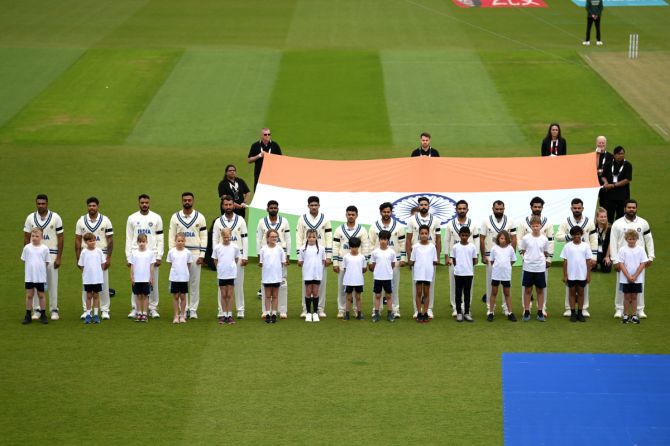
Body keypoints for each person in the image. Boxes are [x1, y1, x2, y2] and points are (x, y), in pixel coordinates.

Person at [609, 199, 654, 319]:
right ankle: (619, 309)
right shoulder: (617, 223)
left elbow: (649, 240)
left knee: (640, 284)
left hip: (639, 260)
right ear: (624, 209)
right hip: (622, 260)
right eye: (629, 207)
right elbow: (613, 242)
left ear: (636, 208)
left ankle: (639, 309)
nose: (631, 209)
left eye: (633, 207)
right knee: (621, 284)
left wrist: (650, 256)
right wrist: (615, 260)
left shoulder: (643, 223)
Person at [23, 194, 63, 321]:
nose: (41, 206)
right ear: (36, 204)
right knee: (35, 283)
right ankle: (37, 309)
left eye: (43, 203)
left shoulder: (55, 217)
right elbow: (26, 236)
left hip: (51, 254)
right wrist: (28, 254)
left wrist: (59, 257)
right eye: (38, 203)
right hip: (35, 256)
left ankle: (54, 309)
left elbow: (61, 238)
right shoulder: (30, 218)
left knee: (52, 283)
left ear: (47, 203)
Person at [556, 198, 597, 317]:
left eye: (579, 208)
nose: (577, 210)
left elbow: (594, 240)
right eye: (575, 208)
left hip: (585, 257)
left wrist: (594, 257)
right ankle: (569, 308)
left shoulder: (589, 222)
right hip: (571, 258)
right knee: (570, 285)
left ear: (583, 208)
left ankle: (583, 308)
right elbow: (558, 237)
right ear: (571, 208)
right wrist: (571, 235)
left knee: (584, 286)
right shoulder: (566, 222)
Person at [168, 192, 207, 319]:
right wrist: (172, 253)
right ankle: (181, 310)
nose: (187, 202)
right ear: (182, 201)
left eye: (189, 200)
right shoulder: (175, 217)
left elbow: (204, 236)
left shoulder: (200, 217)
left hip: (195, 253)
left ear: (193, 201)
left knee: (194, 283)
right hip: (179, 254)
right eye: (185, 200)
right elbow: (171, 236)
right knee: (180, 282)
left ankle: (193, 309)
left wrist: (202, 254)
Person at [126, 194, 164, 319]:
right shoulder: (132, 218)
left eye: (146, 202)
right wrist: (128, 256)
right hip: (136, 256)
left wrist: (159, 255)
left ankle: (153, 308)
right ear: (138, 203)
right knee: (135, 283)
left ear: (149, 203)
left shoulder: (156, 218)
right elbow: (129, 238)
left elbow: (160, 238)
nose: (144, 205)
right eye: (142, 202)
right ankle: (135, 308)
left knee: (152, 282)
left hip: (151, 255)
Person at [75, 197, 113, 320]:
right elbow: (77, 240)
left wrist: (108, 257)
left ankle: (105, 309)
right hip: (86, 257)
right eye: (90, 206)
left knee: (103, 284)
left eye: (94, 206)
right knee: (86, 284)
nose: (92, 208)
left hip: (100, 255)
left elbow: (110, 240)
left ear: (98, 206)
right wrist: (78, 258)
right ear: (87, 206)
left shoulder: (105, 220)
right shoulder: (81, 221)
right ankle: (87, 311)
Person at [516, 197, 554, 316]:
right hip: (528, 261)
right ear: (531, 207)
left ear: (542, 207)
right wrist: (523, 257)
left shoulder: (547, 222)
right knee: (526, 287)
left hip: (541, 262)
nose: (537, 208)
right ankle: (526, 308)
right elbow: (519, 239)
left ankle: (541, 308)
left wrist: (549, 259)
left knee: (542, 286)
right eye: (535, 206)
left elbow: (551, 241)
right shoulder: (523, 222)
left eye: (539, 207)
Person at [295, 196, 332, 319]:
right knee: (306, 284)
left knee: (321, 283)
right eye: (312, 205)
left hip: (321, 255)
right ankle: (305, 309)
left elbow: (328, 238)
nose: (314, 207)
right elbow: (299, 237)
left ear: (319, 206)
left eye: (316, 205)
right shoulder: (302, 219)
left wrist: (328, 256)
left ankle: (320, 309)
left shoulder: (325, 219)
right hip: (307, 255)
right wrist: (299, 256)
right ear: (308, 206)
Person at [212, 196, 249, 319]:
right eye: (226, 205)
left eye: (230, 204)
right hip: (223, 258)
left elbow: (245, 238)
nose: (228, 207)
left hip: (237, 256)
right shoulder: (218, 222)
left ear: (234, 205)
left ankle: (240, 309)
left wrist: (245, 256)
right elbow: (215, 240)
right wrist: (215, 257)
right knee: (222, 286)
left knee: (238, 284)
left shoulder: (240, 220)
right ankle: (222, 311)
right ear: (223, 206)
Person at [405, 196, 442, 319]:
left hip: (430, 256)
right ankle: (417, 310)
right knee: (416, 286)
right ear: (418, 205)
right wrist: (410, 258)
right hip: (417, 257)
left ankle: (429, 309)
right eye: (421, 205)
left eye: (426, 205)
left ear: (429, 206)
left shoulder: (436, 220)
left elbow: (438, 239)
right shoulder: (411, 220)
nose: (424, 207)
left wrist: (436, 257)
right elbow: (408, 239)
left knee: (429, 286)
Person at [369, 202, 406, 318]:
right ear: (381, 212)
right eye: (384, 212)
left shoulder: (398, 227)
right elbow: (370, 244)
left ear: (391, 212)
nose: (386, 214)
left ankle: (395, 309)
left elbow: (402, 243)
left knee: (393, 286)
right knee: (377, 288)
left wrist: (403, 258)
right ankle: (377, 309)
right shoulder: (374, 226)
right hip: (378, 261)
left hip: (394, 261)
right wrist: (370, 262)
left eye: (388, 212)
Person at [333, 206, 370, 318]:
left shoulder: (362, 230)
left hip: (357, 264)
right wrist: (335, 262)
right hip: (342, 262)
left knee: (356, 288)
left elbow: (365, 246)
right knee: (342, 287)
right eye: (349, 214)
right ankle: (341, 309)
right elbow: (335, 246)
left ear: (356, 215)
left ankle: (355, 309)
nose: (351, 216)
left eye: (353, 214)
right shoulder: (339, 229)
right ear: (346, 215)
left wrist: (365, 263)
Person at [480, 200, 516, 315]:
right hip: (491, 257)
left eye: (501, 209)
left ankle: (507, 308)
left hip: (506, 258)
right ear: (493, 209)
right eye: (497, 209)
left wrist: (512, 256)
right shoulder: (486, 221)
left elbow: (514, 239)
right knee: (491, 284)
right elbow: (481, 238)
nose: (499, 211)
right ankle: (490, 309)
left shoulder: (510, 221)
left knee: (506, 285)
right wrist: (483, 255)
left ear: (504, 209)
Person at [256, 200, 291, 319]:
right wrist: (258, 255)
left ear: (278, 209)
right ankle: (265, 311)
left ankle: (282, 310)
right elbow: (258, 239)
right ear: (267, 209)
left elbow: (288, 238)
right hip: (267, 256)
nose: (273, 209)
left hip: (281, 255)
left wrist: (288, 254)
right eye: (271, 208)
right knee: (265, 283)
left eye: (275, 208)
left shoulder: (284, 221)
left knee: (282, 282)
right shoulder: (262, 222)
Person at [445, 200, 479, 317]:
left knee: (469, 286)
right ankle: (456, 307)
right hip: (454, 257)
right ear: (456, 210)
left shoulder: (473, 224)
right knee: (454, 284)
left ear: (467, 210)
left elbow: (476, 240)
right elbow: (447, 241)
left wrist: (477, 255)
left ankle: (466, 307)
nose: (462, 210)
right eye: (460, 208)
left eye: (464, 208)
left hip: (469, 258)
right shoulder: (450, 224)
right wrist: (446, 256)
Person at [519, 216, 551, 322]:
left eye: (537, 225)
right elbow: (523, 250)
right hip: (528, 268)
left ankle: (540, 311)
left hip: (540, 268)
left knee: (540, 290)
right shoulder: (526, 238)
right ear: (531, 226)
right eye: (533, 225)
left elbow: (545, 252)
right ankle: (527, 311)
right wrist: (527, 259)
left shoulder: (544, 239)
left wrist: (540, 260)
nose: (536, 227)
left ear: (541, 226)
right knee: (528, 290)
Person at [560, 227, 592, 323]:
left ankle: (580, 313)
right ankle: (573, 312)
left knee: (581, 292)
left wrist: (588, 275)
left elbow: (588, 261)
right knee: (572, 292)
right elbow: (565, 262)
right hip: (571, 275)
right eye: (574, 234)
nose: (576, 236)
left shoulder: (585, 246)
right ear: (572, 235)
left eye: (578, 234)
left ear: (581, 235)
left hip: (582, 275)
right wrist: (565, 275)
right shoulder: (567, 246)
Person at [617, 230, 647, 324]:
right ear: (626, 239)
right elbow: (621, 264)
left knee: (634, 296)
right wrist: (628, 276)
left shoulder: (641, 249)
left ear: (637, 239)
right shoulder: (622, 249)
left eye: (633, 239)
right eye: (630, 239)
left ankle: (634, 315)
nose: (632, 241)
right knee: (626, 297)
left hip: (637, 279)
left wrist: (635, 276)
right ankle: (625, 315)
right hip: (625, 278)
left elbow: (643, 263)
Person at [21, 228, 50, 324]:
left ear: (41, 237)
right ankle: (28, 315)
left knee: (41, 295)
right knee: (29, 295)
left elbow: (46, 262)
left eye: (37, 236)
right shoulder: (27, 248)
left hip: (40, 277)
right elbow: (25, 260)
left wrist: (40, 271)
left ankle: (43, 315)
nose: (34, 238)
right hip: (29, 277)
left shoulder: (45, 249)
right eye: (33, 236)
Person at [410, 225, 438, 323]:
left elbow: (435, 260)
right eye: (422, 233)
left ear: (429, 234)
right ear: (419, 235)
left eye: (426, 233)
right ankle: (418, 312)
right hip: (418, 273)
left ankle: (425, 312)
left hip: (428, 273)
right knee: (418, 293)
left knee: (426, 293)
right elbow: (412, 260)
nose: (424, 235)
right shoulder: (415, 247)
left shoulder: (432, 247)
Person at [212, 228, 240, 325]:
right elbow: (215, 260)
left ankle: (230, 315)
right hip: (222, 274)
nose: (227, 239)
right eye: (225, 237)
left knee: (230, 294)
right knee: (223, 295)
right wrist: (219, 268)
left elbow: (236, 259)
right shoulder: (217, 247)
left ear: (231, 236)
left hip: (231, 274)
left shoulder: (235, 247)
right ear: (222, 236)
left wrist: (231, 267)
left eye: (228, 237)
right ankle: (224, 315)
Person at [297, 229, 326, 323]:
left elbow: (323, 260)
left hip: (317, 274)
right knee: (308, 292)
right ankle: (308, 313)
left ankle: (315, 313)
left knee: (316, 292)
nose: (311, 239)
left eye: (313, 237)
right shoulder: (302, 249)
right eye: (309, 237)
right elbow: (300, 261)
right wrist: (301, 263)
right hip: (307, 274)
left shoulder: (321, 248)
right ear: (306, 237)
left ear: (317, 237)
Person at [488, 230, 517, 322]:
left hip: (506, 275)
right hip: (496, 274)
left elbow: (513, 260)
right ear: (498, 239)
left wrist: (506, 267)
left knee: (507, 293)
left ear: (508, 239)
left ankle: (510, 313)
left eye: (504, 238)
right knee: (494, 293)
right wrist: (498, 267)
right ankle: (491, 313)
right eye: (501, 238)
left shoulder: (510, 249)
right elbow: (492, 261)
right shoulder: (494, 248)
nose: (503, 240)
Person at [450, 227, 478, 323]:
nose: (464, 237)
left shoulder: (472, 247)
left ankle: (466, 313)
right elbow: (453, 259)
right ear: (459, 235)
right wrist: (458, 268)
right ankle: (458, 312)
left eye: (466, 235)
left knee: (467, 294)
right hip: (458, 274)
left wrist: (468, 267)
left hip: (469, 273)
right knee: (458, 294)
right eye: (463, 235)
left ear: (469, 236)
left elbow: (475, 260)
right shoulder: (455, 247)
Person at [259, 229, 287, 324]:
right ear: (267, 238)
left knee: (275, 296)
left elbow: (283, 263)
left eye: (276, 237)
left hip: (276, 277)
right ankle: (267, 313)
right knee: (267, 296)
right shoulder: (263, 249)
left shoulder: (280, 249)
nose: (274, 238)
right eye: (272, 237)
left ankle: (274, 314)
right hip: (267, 277)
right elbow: (261, 263)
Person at [78, 232, 106, 324]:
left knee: (96, 296)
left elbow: (103, 264)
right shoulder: (84, 252)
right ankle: (88, 314)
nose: (93, 242)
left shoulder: (99, 251)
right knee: (89, 296)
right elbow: (81, 266)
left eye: (94, 240)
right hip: (88, 279)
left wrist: (98, 273)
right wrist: (86, 274)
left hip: (97, 279)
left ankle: (96, 314)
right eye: (90, 241)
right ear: (86, 242)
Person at [369, 230, 396, 323]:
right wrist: (378, 272)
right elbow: (373, 264)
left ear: (388, 240)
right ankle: (376, 313)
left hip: (388, 277)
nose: (383, 241)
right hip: (378, 277)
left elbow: (393, 264)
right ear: (379, 240)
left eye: (385, 239)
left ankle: (390, 313)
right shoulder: (375, 252)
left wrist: (387, 272)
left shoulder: (392, 252)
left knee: (388, 296)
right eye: (381, 239)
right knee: (377, 295)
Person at [600, 146, 632, 223]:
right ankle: (609, 233)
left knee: (621, 217)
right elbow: (603, 176)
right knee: (609, 216)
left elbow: (627, 180)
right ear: (614, 155)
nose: (621, 155)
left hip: (623, 196)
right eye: (619, 154)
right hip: (610, 196)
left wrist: (614, 185)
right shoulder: (608, 164)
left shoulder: (627, 165)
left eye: (622, 153)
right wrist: (606, 182)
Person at [129, 234, 155, 323]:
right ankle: (139, 312)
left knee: (145, 296)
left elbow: (152, 266)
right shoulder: (134, 253)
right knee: (138, 296)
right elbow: (132, 266)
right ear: (137, 243)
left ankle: (145, 313)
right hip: (137, 279)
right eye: (140, 242)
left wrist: (151, 278)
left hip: (146, 279)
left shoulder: (150, 253)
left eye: (143, 241)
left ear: (147, 242)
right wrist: (132, 276)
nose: (141, 243)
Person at [167, 232, 192, 324]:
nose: (180, 242)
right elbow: (170, 264)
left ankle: (182, 315)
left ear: (184, 241)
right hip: (174, 278)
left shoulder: (187, 252)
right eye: (178, 241)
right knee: (176, 296)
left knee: (183, 296)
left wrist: (185, 273)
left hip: (184, 278)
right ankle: (176, 315)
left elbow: (189, 264)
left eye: (182, 241)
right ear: (175, 241)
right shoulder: (171, 252)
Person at [342, 237, 366, 321]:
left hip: (358, 280)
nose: (354, 249)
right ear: (349, 247)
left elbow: (364, 269)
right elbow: (345, 269)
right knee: (348, 298)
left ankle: (359, 313)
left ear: (358, 247)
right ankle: (347, 313)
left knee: (358, 297)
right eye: (352, 247)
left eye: (356, 247)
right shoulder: (346, 257)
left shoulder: (362, 257)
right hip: (348, 281)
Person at [595, 136, 613, 211]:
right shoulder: (593, 155)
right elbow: (595, 167)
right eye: (599, 143)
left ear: (605, 144)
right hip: (594, 182)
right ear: (596, 143)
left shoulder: (610, 156)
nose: (601, 144)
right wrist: (598, 155)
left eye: (603, 143)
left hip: (605, 183)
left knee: (604, 203)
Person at [594, 207, 612, 273]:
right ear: (597, 218)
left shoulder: (610, 228)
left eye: (605, 216)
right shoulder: (593, 228)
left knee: (606, 270)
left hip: (605, 253)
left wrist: (607, 256)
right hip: (595, 253)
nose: (603, 218)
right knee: (592, 267)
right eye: (601, 217)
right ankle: (594, 263)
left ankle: (603, 262)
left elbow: (611, 243)